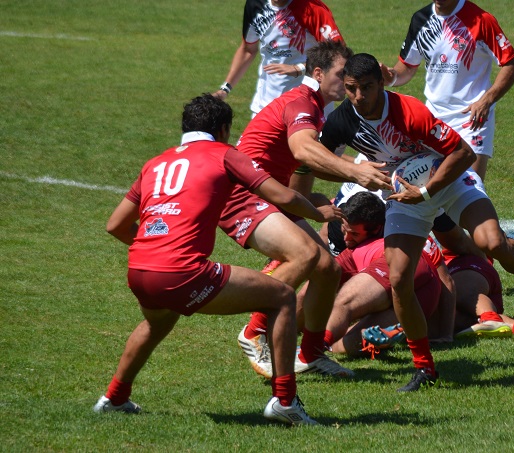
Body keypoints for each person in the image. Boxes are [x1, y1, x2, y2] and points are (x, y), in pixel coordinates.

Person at [320, 53, 514, 391]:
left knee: (491, 242)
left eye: (366, 88)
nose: (359, 97)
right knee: (398, 278)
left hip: (448, 180)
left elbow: (464, 154)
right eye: (351, 89)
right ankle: (425, 368)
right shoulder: (341, 120)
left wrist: (425, 191)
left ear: (381, 82)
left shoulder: (409, 111)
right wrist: (351, 170)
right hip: (406, 195)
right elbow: (313, 160)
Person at [92, 94, 345, 426]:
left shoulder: (155, 162)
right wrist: (318, 211)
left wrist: (152, 248)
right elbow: (283, 196)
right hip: (182, 271)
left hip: (140, 270)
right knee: (282, 297)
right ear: (224, 129)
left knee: (157, 322)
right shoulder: (224, 154)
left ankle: (113, 398)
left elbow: (115, 225)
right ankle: (285, 401)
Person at [218, 41, 392, 379]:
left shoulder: (314, 106)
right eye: (342, 75)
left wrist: (353, 169)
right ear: (318, 73)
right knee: (308, 256)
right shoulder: (301, 102)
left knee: (328, 268)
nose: (349, 82)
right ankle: (254, 331)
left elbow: (312, 162)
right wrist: (357, 169)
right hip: (242, 195)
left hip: (268, 193)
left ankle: (311, 352)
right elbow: (303, 150)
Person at [296, 191, 455, 358]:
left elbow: (310, 290)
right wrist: (446, 334)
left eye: (354, 234)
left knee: (343, 303)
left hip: (402, 272)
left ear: (376, 228)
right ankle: (386, 336)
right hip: (422, 299)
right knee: (344, 344)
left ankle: (310, 354)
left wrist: (289, 324)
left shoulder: (361, 250)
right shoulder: (412, 236)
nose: (346, 239)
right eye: (345, 230)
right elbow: (446, 282)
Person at [214, 0, 345, 200]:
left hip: (308, 108)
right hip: (267, 106)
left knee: (297, 184)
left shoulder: (313, 9)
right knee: (252, 180)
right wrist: (226, 88)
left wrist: (299, 69)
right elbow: (248, 49)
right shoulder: (255, 6)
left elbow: (338, 54)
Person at [380, 0, 514, 182]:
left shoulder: (482, 20)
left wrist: (486, 101)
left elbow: (511, 65)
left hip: (471, 119)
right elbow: (407, 67)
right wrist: (390, 77)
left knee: (470, 188)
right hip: (433, 119)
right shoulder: (421, 19)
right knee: (430, 188)